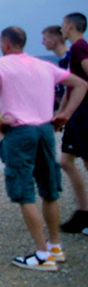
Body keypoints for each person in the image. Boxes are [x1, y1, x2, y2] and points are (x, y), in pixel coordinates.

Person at [0, 25, 87, 271]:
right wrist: (65, 114)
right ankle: (55, 246)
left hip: (19, 131)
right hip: (46, 130)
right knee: (49, 190)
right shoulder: (44, 65)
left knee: (24, 191)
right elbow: (80, 84)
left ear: (5, 44)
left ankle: (42, 254)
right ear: (23, 43)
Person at [58, 13, 88, 234]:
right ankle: (82, 211)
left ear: (70, 26)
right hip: (75, 114)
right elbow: (70, 87)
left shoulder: (79, 48)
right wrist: (61, 113)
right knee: (67, 161)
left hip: (84, 112)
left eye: (62, 26)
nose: (61, 30)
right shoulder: (75, 50)